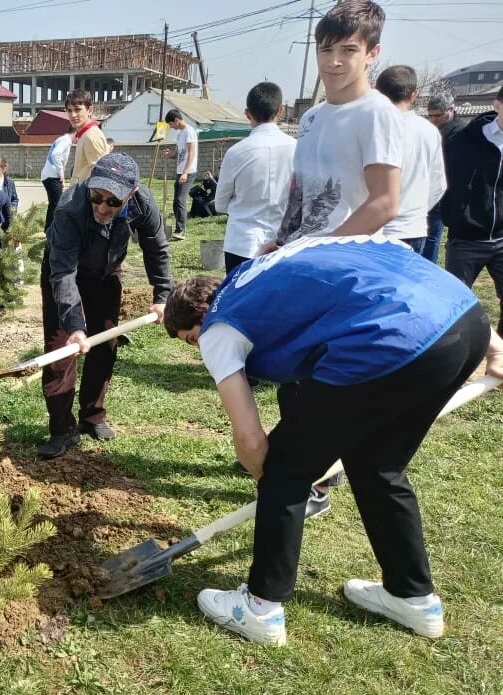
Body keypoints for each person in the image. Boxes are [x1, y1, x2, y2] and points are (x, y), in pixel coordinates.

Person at [164, 234, 503, 646]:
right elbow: (398, 255)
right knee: (379, 464)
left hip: (387, 341)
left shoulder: (218, 327)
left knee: (285, 467)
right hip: (463, 322)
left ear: (198, 320)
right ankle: (412, 596)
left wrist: (269, 476)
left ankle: (260, 608)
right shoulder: (270, 267)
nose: (198, 349)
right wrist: (494, 345)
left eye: (190, 340)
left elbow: (250, 440)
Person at [38, 153, 171, 459]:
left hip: (106, 275)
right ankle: (61, 429)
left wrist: (163, 296)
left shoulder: (143, 205)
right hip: (63, 272)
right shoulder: (71, 207)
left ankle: (92, 416)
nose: (102, 207)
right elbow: (63, 271)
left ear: (131, 195)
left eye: (113, 202)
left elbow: (157, 250)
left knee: (105, 343)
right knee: (61, 351)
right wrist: (74, 325)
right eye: (97, 197)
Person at [275, 1, 403, 246]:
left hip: (343, 258)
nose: (334, 61)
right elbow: (299, 192)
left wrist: (325, 249)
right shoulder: (310, 117)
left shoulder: (376, 113)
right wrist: (282, 240)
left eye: (348, 50)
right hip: (300, 252)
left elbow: (385, 202)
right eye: (326, 49)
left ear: (372, 54)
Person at [213, 82, 296, 272]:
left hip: (242, 243)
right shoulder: (297, 149)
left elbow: (220, 204)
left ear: (247, 113)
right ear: (281, 111)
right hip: (283, 244)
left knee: (240, 300)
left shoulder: (236, 152)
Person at [442, 85, 503, 336]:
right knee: (454, 305)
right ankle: (460, 359)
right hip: (466, 238)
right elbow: (443, 180)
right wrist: (457, 214)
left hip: (501, 238)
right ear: (497, 104)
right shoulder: (465, 140)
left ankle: (499, 355)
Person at [375, 66, 446, 253]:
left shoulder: (372, 126)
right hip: (412, 228)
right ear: (414, 95)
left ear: (377, 93)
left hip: (373, 228)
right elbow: (439, 184)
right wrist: (416, 211)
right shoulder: (429, 131)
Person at [422, 92, 466, 263]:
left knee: (432, 236)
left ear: (451, 110)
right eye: (430, 115)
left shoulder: (459, 131)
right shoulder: (431, 128)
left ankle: (428, 268)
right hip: (427, 185)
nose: (433, 119)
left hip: (444, 190)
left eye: (438, 115)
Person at [164, 109, 198, 241]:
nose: (171, 127)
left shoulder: (189, 132)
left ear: (176, 120)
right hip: (180, 171)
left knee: (180, 200)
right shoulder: (180, 134)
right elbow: (179, 152)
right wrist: (170, 155)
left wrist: (185, 172)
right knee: (176, 201)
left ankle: (181, 231)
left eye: (171, 124)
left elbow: (191, 153)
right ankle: (178, 229)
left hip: (188, 172)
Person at [66, 89, 110, 186]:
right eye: (69, 110)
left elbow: (101, 176)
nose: (73, 115)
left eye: (77, 109)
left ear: (90, 110)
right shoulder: (84, 135)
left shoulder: (91, 136)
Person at [41, 124, 75, 230]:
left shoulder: (63, 139)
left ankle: (49, 229)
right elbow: (55, 154)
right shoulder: (65, 140)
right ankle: (52, 230)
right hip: (52, 176)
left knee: (54, 204)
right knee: (57, 205)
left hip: (50, 175)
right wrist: (61, 174)